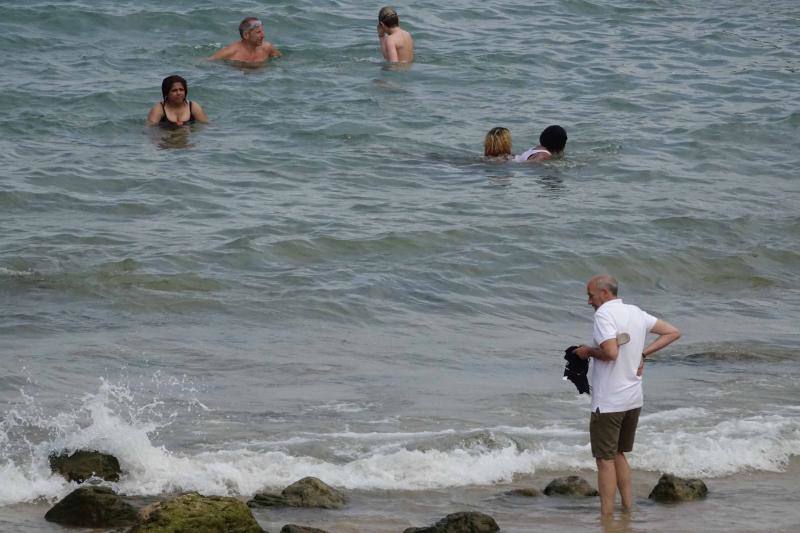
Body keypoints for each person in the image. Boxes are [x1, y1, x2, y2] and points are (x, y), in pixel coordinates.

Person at [573, 275, 680, 517]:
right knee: (618, 454)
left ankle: (607, 517)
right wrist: (643, 354)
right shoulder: (635, 312)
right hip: (633, 398)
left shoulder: (603, 315)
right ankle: (628, 508)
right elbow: (672, 332)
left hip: (609, 401)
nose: (588, 301)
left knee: (604, 460)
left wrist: (587, 351)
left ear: (604, 293)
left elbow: (610, 352)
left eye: (590, 295)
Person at [210, 17, 281, 63]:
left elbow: (282, 60)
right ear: (246, 35)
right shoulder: (231, 52)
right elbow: (207, 62)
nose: (263, 36)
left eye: (262, 31)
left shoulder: (267, 48)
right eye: (258, 32)